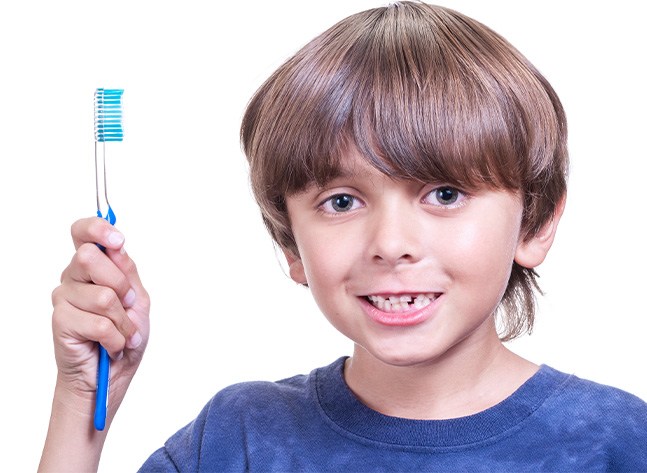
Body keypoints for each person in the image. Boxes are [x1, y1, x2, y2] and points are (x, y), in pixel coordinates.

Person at [39, 2, 647, 471]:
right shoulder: (239, 439)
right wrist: (82, 400)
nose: (391, 243)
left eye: (444, 194)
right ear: (290, 244)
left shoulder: (617, 441)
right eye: (341, 201)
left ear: (535, 225)